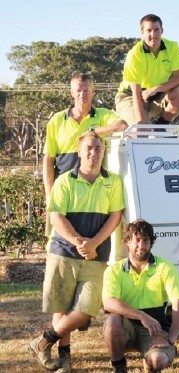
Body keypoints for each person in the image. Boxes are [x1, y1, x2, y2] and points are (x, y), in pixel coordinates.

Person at [28, 130, 125, 373]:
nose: (94, 152)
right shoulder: (64, 181)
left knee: (84, 311)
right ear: (79, 152)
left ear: (104, 152)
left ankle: (42, 341)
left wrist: (93, 244)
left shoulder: (112, 181)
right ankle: (65, 360)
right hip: (63, 251)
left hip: (96, 255)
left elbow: (116, 216)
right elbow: (56, 216)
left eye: (98, 148)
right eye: (89, 148)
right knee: (61, 308)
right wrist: (79, 241)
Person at [103, 219, 179, 373]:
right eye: (137, 240)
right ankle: (119, 366)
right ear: (127, 242)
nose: (141, 245)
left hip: (154, 330)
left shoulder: (165, 267)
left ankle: (150, 364)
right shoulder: (115, 270)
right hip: (125, 328)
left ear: (151, 242)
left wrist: (170, 339)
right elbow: (108, 302)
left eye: (146, 240)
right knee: (113, 320)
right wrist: (141, 315)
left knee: (158, 361)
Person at [43, 72, 127, 205]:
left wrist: (93, 131)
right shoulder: (57, 120)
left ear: (93, 91)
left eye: (86, 90)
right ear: (71, 92)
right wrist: (49, 194)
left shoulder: (103, 115)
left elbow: (122, 125)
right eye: (78, 90)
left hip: (94, 192)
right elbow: (49, 159)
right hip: (64, 191)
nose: (83, 94)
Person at [115, 14, 179, 127]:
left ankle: (162, 125)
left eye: (156, 30)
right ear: (142, 32)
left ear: (162, 31)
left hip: (156, 96)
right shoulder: (134, 54)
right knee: (144, 132)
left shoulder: (173, 47)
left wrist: (155, 89)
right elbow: (136, 95)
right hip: (130, 98)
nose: (153, 34)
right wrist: (141, 125)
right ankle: (145, 128)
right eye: (149, 30)